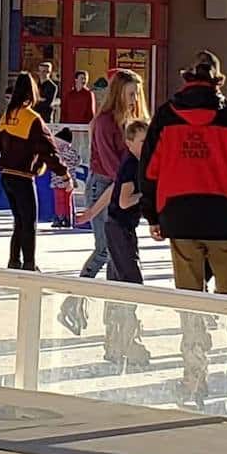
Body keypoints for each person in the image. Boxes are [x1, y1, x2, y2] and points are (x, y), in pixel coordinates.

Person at [140, 57, 227, 407]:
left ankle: (194, 378)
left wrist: (152, 214)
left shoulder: (166, 115)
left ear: (187, 80)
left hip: (179, 216)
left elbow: (150, 168)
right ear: (218, 82)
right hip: (223, 217)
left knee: (190, 302)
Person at [81, 119, 153, 369]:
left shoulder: (133, 164)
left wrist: (91, 212)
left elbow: (113, 190)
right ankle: (127, 342)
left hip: (121, 227)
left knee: (118, 282)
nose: (147, 146)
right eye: (143, 141)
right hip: (120, 228)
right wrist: (148, 195)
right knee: (132, 283)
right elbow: (123, 200)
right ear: (129, 142)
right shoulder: (132, 164)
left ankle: (116, 343)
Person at [0, 75, 69, 270]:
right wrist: (64, 174)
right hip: (23, 177)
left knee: (19, 221)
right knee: (29, 223)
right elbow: (49, 150)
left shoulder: (7, 116)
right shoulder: (32, 119)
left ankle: (14, 261)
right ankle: (29, 264)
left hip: (6, 176)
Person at [51, 127, 82, 227]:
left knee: (59, 201)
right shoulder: (72, 153)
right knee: (68, 200)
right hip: (70, 181)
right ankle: (69, 218)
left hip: (58, 181)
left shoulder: (57, 153)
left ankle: (60, 218)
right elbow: (77, 161)